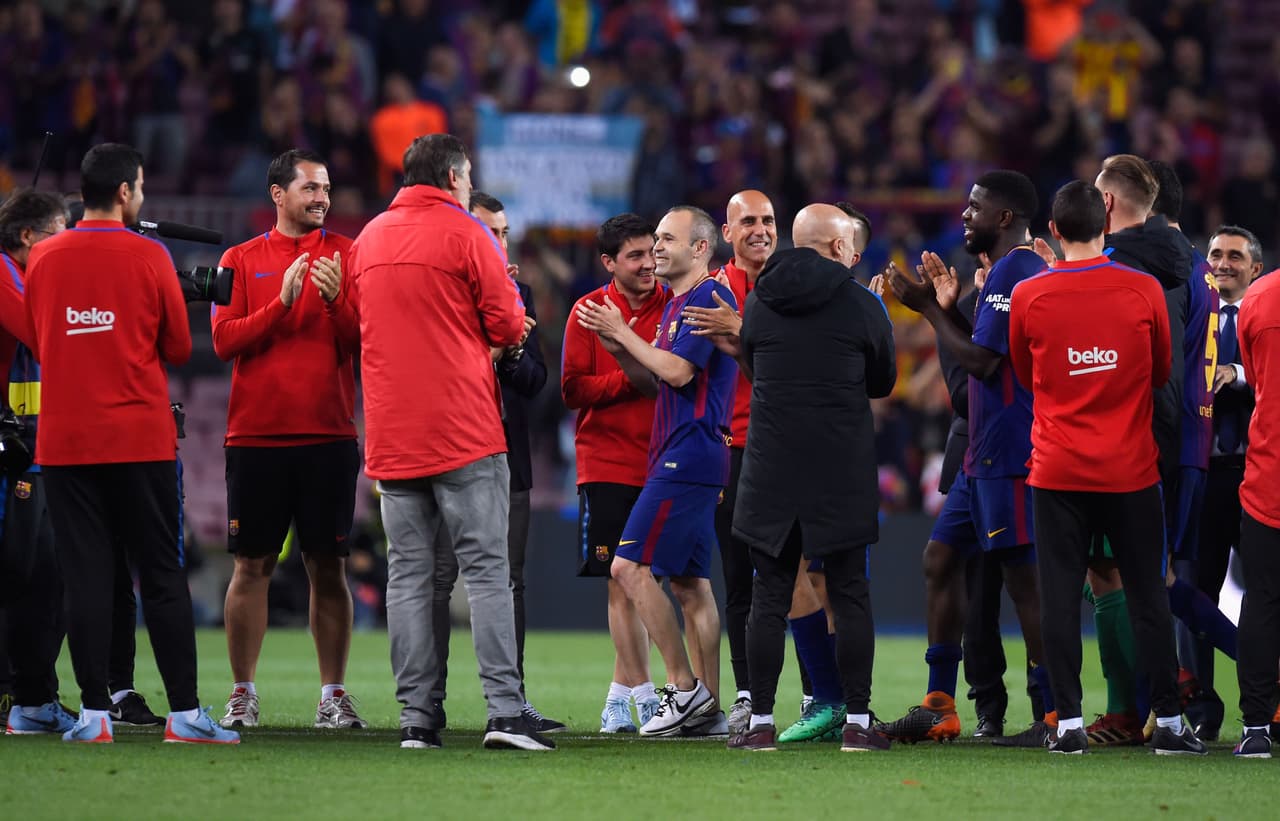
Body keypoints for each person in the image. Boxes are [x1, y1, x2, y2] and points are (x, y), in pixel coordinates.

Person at [23, 142, 238, 744]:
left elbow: (43, 339)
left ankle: (93, 717)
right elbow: (174, 348)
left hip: (64, 441)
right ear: (125, 192)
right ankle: (186, 716)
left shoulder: (41, 258)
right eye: (139, 187)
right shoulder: (150, 256)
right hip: (138, 438)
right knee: (161, 574)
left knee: (86, 576)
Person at [349, 133, 551, 751]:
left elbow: (354, 318)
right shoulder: (465, 233)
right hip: (463, 430)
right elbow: (508, 322)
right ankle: (505, 715)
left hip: (392, 433)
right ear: (456, 177)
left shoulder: (369, 238)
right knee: (487, 573)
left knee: (408, 577)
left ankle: (417, 721)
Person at [1008, 179, 1203, 756]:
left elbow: (1024, 371)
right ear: (1107, 224)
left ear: (1053, 231)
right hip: (1131, 470)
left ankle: (1067, 726)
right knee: (1148, 596)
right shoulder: (1142, 290)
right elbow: (1162, 367)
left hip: (1057, 470)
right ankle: (1168, 723)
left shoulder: (1030, 296)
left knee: (1061, 599)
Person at [883, 170, 1054, 746]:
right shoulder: (1002, 275)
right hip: (981, 452)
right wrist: (946, 311)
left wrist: (928, 309)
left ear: (1005, 217)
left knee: (1023, 582)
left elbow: (984, 364)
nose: (965, 214)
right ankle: (939, 704)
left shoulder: (1017, 270)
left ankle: (1052, 713)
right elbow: (980, 360)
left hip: (1010, 450)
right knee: (939, 558)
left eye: (976, 206)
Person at [725, 203, 896, 753]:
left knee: (768, 596)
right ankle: (859, 724)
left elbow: (752, 363)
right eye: (848, 244)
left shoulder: (760, 301)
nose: (852, 253)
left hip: (770, 464)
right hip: (838, 467)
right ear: (833, 247)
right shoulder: (863, 304)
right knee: (849, 594)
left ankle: (760, 725)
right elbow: (883, 381)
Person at [211, 148, 364, 731]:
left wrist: (334, 300)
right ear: (279, 194)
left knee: (329, 566)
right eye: (310, 188)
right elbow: (225, 341)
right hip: (255, 437)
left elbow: (363, 340)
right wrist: (281, 305)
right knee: (251, 566)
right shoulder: (240, 258)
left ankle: (333, 695)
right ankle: (243, 693)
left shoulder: (350, 256)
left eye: (326, 187)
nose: (322, 197)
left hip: (328, 436)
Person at [575, 205, 736, 737]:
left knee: (627, 568)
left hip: (686, 451)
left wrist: (624, 331)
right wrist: (622, 345)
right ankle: (709, 708)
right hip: (684, 448)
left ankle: (683, 689)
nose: (658, 249)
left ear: (700, 249)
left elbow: (679, 370)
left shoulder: (707, 296)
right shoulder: (679, 304)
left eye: (667, 239)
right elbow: (657, 380)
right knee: (691, 586)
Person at [432, 191, 564, 734]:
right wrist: (494, 343)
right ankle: (427, 703)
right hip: (444, 450)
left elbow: (535, 384)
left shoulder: (519, 294)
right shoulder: (440, 293)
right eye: (490, 231)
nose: (500, 243)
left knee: (511, 581)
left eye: (505, 233)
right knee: (436, 581)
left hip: (507, 454)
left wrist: (511, 350)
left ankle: (515, 701)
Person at [562, 213, 667, 734]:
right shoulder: (586, 311)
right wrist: (631, 379)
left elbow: (672, 380)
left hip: (663, 460)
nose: (649, 263)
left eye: (652, 252)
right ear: (609, 262)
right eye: (636, 256)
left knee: (648, 583)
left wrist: (629, 361)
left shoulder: (674, 304)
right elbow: (571, 389)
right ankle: (647, 699)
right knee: (618, 583)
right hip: (605, 462)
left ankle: (617, 698)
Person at [0, 189, 75, 736]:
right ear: (27, 237)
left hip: (34, 450)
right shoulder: (3, 270)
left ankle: (33, 698)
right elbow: (42, 334)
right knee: (25, 576)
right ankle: (24, 697)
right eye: (58, 229)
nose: (66, 240)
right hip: (12, 455)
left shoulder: (21, 272)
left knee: (43, 578)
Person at [1200, 226, 1262, 726]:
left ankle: (1263, 705)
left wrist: (1237, 375)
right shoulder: (1194, 317)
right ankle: (1200, 705)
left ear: (1255, 269)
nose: (1223, 263)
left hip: (1259, 472)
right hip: (1204, 473)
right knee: (1197, 589)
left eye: (1235, 256)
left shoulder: (1266, 322)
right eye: (1216, 254)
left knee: (1267, 591)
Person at [1231, 252, 1280, 759]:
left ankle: (1257, 728)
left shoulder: (1260, 297)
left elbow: (1259, 380)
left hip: (1269, 474)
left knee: (1263, 602)